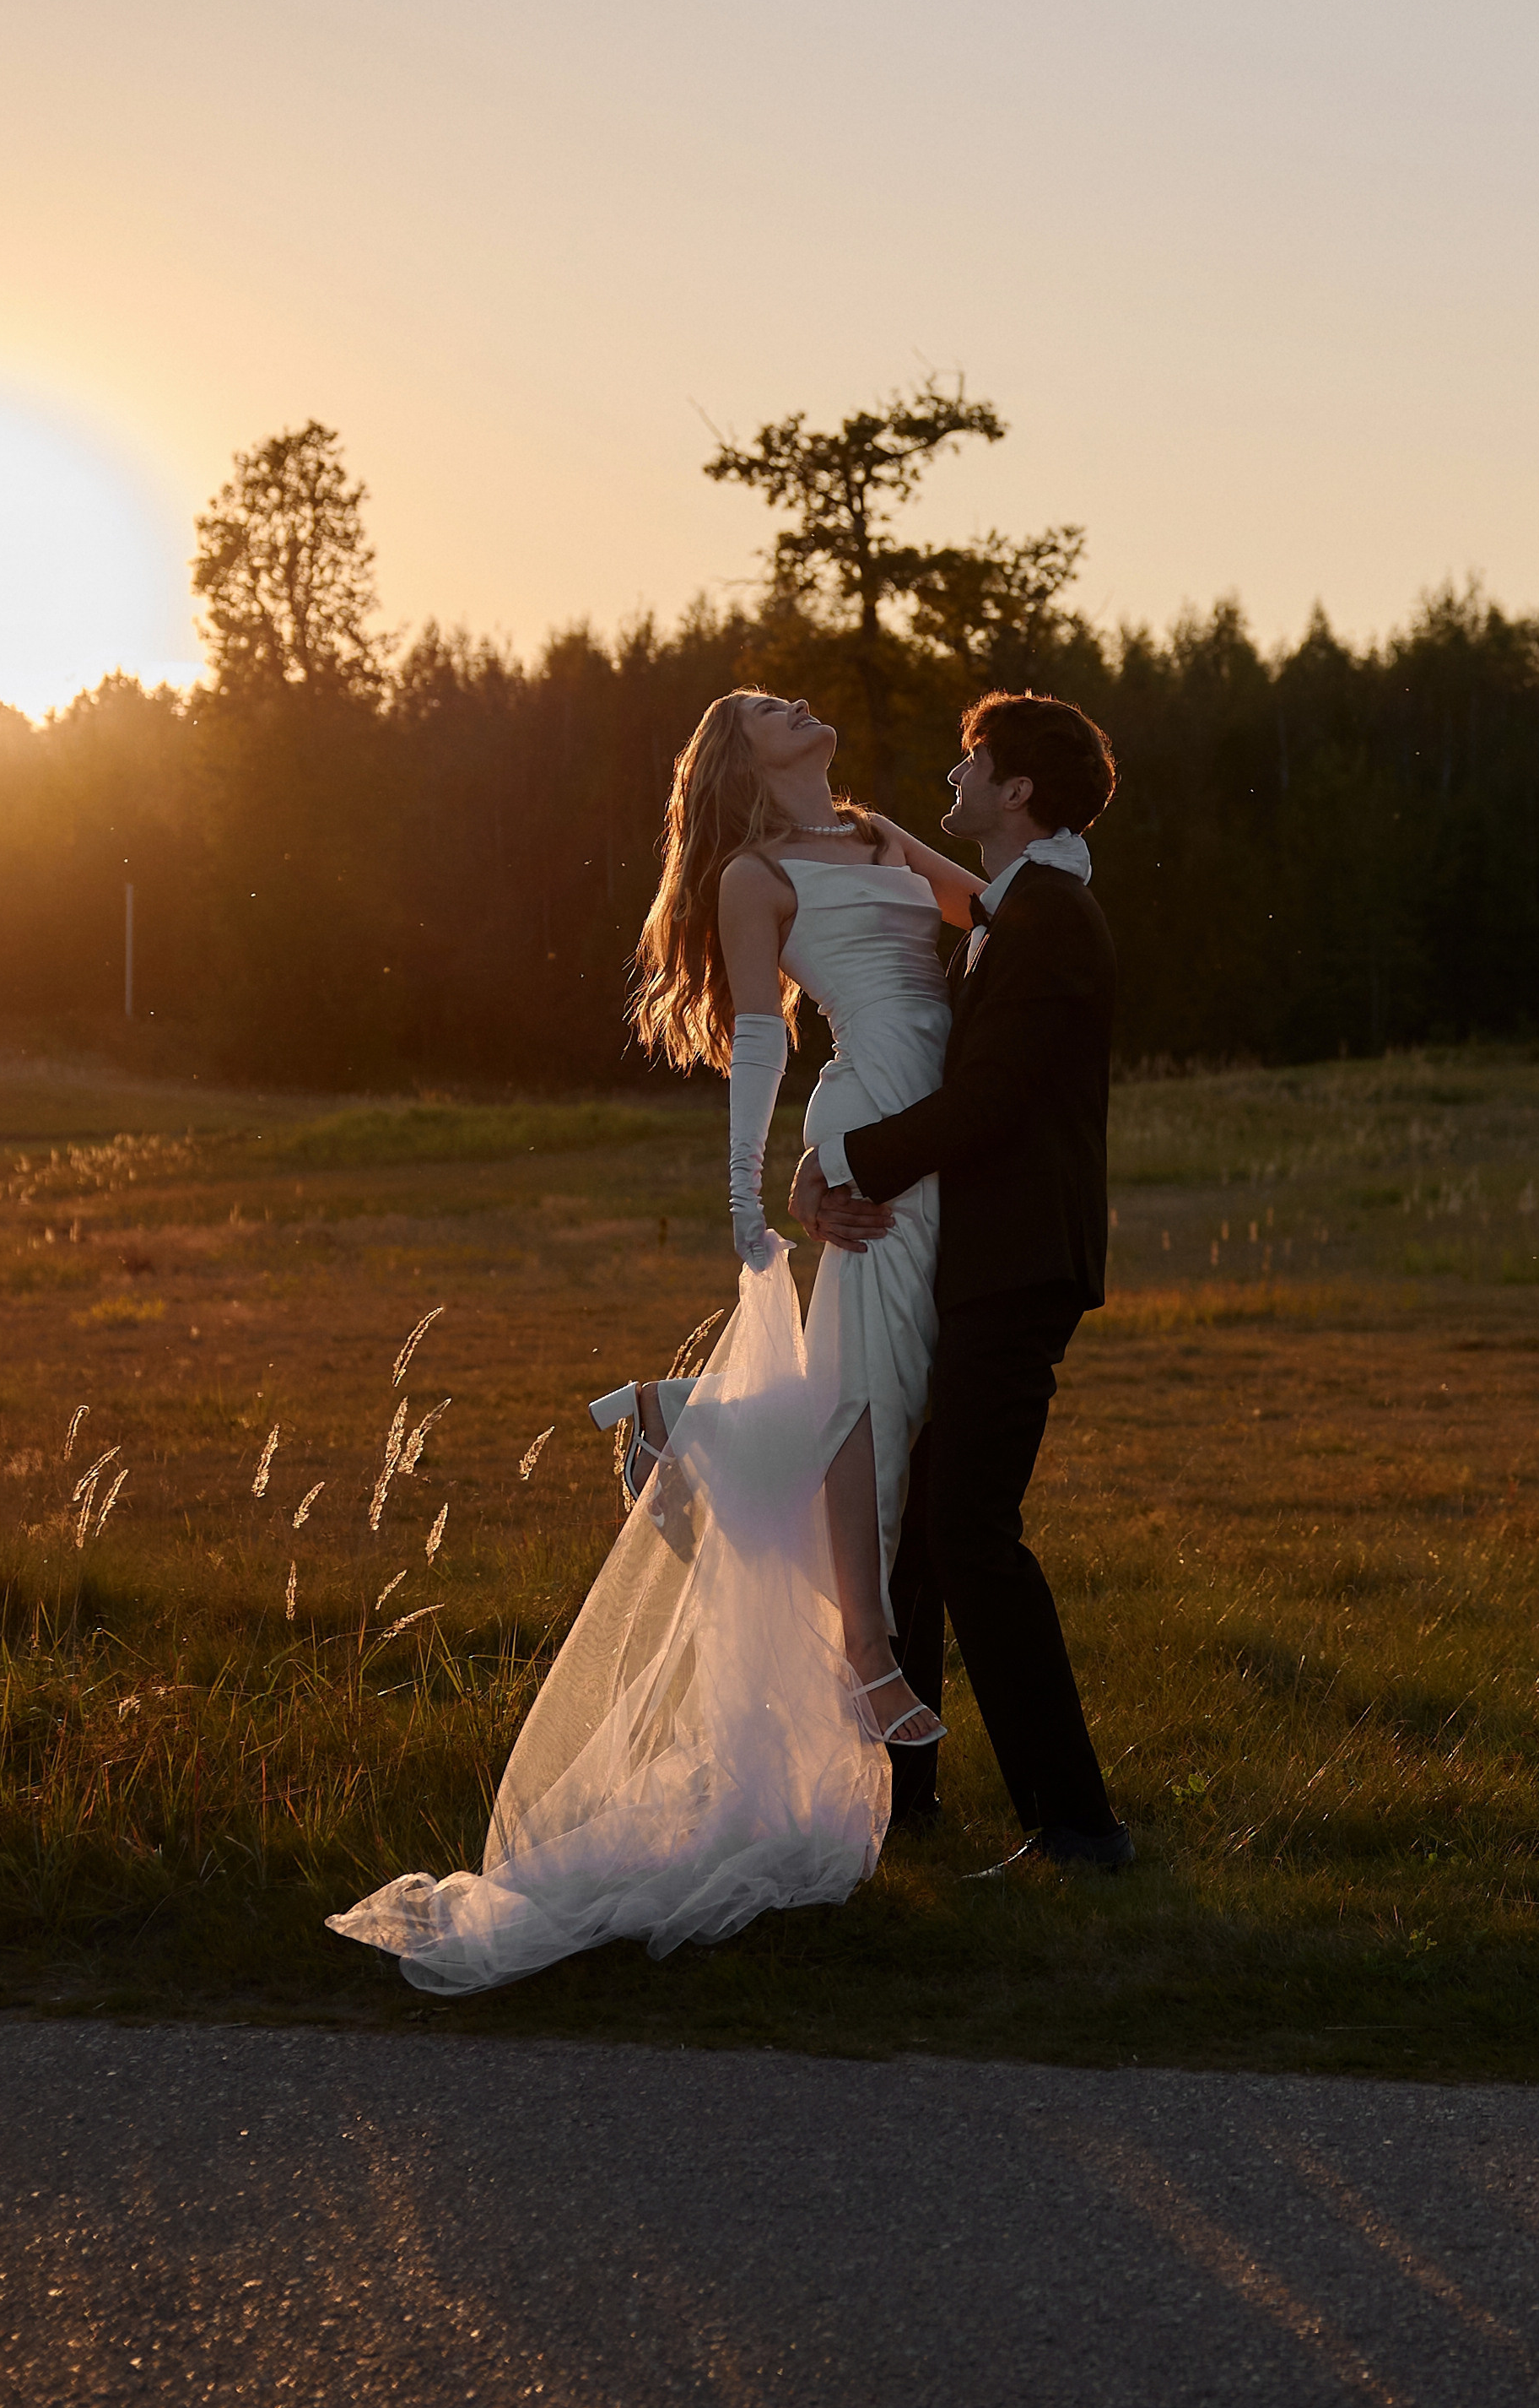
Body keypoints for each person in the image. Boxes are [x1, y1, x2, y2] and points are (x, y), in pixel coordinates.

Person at [327, 689, 972, 1993]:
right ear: (742, 757)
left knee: (885, 1416)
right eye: (779, 709)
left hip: (939, 1134)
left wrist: (952, 858)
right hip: (870, 1140)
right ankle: (864, 1665)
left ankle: (686, 1418)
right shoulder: (753, 873)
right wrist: (749, 1195)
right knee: (872, 1417)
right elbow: (755, 1038)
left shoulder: (880, 835)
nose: (808, 706)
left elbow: (995, 921)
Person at [789, 691, 1133, 1874]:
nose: (957, 770)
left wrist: (837, 1163)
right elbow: (974, 901)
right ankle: (906, 1795)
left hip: (1018, 1269)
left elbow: (987, 1106)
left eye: (973, 760)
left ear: (1018, 790)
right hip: (994, 1264)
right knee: (930, 1538)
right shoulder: (1029, 904)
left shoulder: (1051, 922)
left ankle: (1077, 1824)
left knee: (969, 1532)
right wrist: (891, 835)